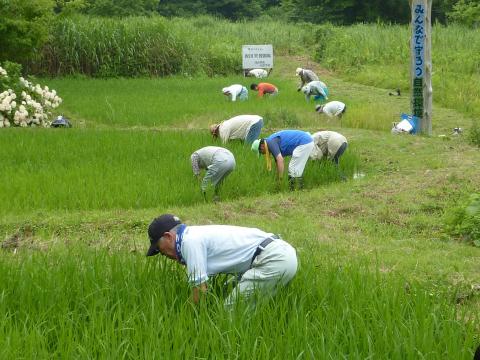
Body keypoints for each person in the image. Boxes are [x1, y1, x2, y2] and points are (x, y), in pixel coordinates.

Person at [146, 214, 298, 306]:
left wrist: (182, 319)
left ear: (168, 236)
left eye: (160, 249)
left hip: (273, 259)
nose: (163, 254)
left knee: (230, 313)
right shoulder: (193, 234)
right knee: (226, 290)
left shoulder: (188, 242)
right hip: (280, 253)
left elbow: (200, 291)